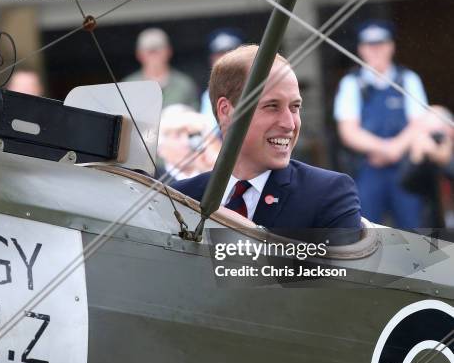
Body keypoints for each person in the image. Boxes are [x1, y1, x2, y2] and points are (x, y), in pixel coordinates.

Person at [171, 45, 361, 231]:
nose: (289, 124)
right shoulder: (179, 198)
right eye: (272, 106)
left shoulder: (327, 193)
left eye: (295, 107)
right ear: (226, 111)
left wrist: (244, 231)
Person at [334, 20, 428, 229]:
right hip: (367, 168)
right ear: (361, 49)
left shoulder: (408, 79)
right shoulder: (351, 83)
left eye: (381, 44)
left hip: (405, 169)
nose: (375, 50)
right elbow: (348, 131)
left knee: (413, 232)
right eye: (369, 45)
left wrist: (395, 149)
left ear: (391, 46)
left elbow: (420, 123)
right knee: (366, 231)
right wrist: (383, 148)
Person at [124, 28, 199, 110]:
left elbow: (195, 116)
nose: (154, 56)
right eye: (149, 51)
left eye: (158, 50)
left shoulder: (184, 84)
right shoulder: (127, 86)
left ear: (169, 51)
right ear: (139, 54)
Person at [156, 104, 221, 182]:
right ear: (159, 147)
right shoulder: (152, 178)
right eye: (177, 136)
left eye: (192, 135)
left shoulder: (211, 175)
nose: (186, 142)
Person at [200, 28, 243, 131]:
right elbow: (209, 132)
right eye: (219, 54)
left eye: (230, 53)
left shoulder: (253, 85)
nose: (224, 59)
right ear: (211, 59)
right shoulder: (208, 95)